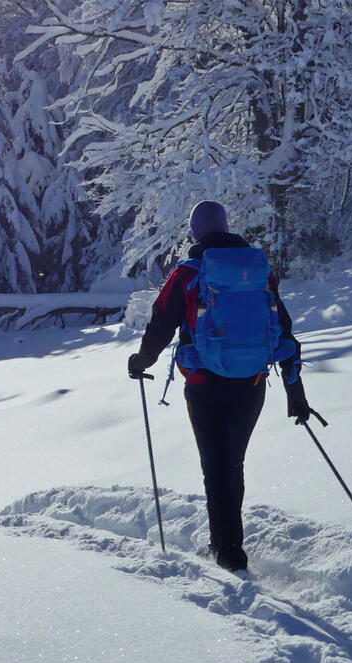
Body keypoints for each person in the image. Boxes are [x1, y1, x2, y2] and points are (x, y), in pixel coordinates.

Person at [127, 200, 311, 574]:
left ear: (195, 233)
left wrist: (140, 363)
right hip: (253, 382)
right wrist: (296, 393)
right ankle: (228, 546)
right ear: (226, 227)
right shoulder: (257, 272)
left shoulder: (188, 273)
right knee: (233, 463)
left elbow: (161, 324)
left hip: (204, 383)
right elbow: (284, 330)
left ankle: (227, 556)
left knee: (215, 467)